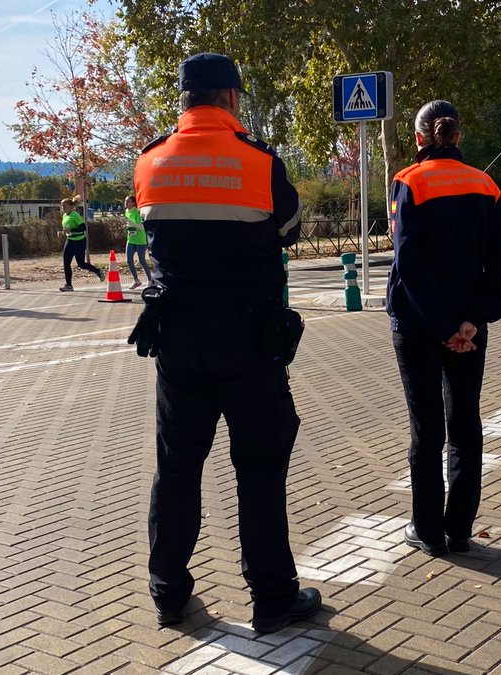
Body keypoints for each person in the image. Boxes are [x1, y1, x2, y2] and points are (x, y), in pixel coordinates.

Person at [127, 52, 318, 634]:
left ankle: (167, 591)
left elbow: (152, 229)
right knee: (259, 468)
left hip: (177, 337)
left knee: (177, 466)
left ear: (183, 99)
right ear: (231, 98)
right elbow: (291, 231)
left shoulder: (149, 162)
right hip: (249, 338)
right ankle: (272, 597)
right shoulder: (259, 162)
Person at [387, 100, 501, 558]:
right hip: (468, 328)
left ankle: (427, 531)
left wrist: (441, 326)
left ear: (418, 138)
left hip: (418, 324)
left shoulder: (409, 182)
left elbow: (409, 263)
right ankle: (459, 529)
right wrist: (470, 321)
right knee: (465, 424)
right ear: (457, 135)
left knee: (426, 428)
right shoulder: (485, 185)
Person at [58, 196, 104, 292]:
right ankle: (68, 285)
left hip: (79, 241)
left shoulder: (75, 215)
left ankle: (98, 271)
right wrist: (62, 232)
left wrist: (71, 230)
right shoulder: (65, 216)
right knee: (66, 262)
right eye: (62, 206)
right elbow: (67, 229)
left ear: (71, 207)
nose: (63, 208)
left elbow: (83, 227)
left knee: (81, 264)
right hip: (70, 241)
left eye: (65, 206)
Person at [124, 195, 150, 289]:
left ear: (133, 203)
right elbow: (131, 225)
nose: (126, 203)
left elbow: (142, 227)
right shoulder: (127, 211)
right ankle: (136, 280)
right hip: (131, 239)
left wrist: (130, 223)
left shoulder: (137, 212)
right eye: (125, 201)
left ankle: (150, 280)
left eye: (128, 201)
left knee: (142, 261)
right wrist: (128, 226)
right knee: (129, 260)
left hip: (140, 240)